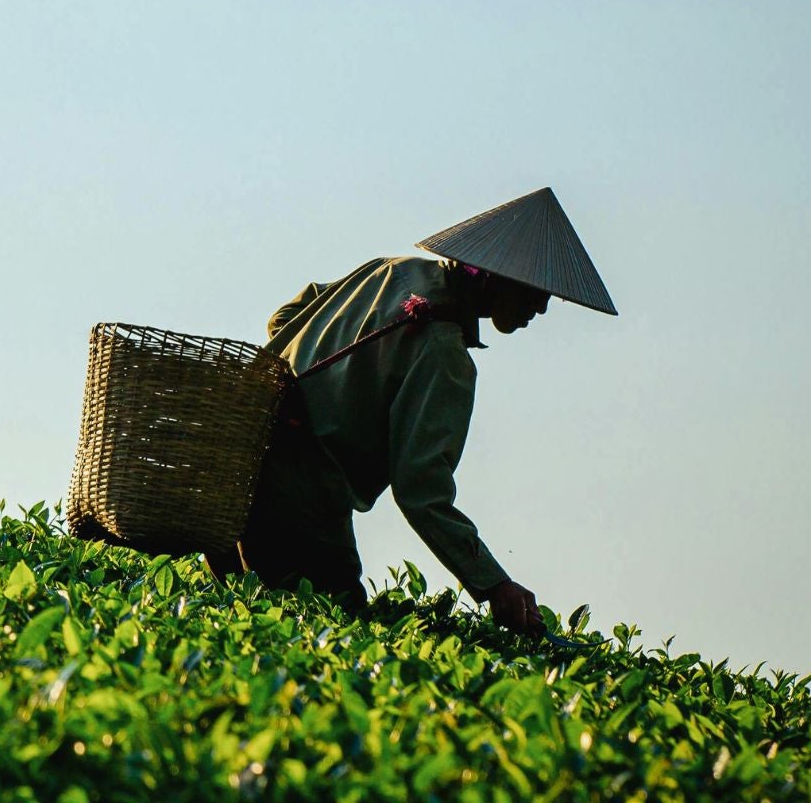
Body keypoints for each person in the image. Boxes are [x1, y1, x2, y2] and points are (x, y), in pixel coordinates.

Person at [227, 188, 616, 635]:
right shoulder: (443, 353)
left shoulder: (390, 270)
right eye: (537, 290)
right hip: (302, 508)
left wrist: (334, 385)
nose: (542, 307)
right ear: (496, 276)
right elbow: (421, 490)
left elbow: (286, 316)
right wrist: (494, 585)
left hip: (241, 468)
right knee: (336, 634)